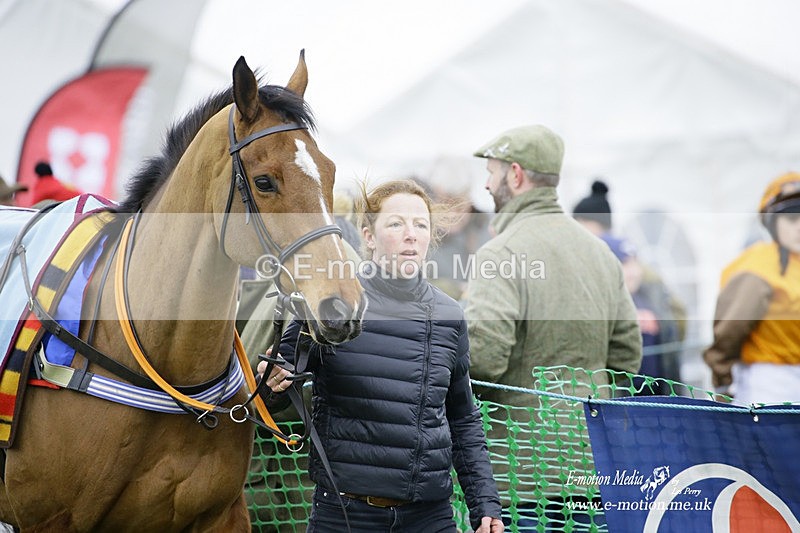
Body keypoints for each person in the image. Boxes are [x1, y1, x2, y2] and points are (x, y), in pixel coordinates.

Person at [258, 179, 503, 533]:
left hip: (429, 517)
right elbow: (270, 395)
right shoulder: (330, 303)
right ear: (369, 236)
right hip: (344, 514)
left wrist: (484, 504)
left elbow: (463, 418)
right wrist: (271, 382)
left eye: (421, 225)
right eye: (396, 223)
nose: (411, 235)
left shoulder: (449, 316)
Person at [464, 125, 642, 530]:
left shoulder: (501, 252)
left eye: (491, 173)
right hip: (592, 464)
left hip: (520, 476)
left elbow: (485, 359)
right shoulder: (600, 254)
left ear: (515, 175)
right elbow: (627, 357)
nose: (487, 184)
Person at [704, 172, 800, 404]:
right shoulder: (757, 267)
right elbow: (729, 331)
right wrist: (723, 380)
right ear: (772, 223)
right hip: (772, 385)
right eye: (790, 218)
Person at [600, 234, 681, 395]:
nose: (633, 272)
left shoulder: (653, 295)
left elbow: (675, 336)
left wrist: (659, 322)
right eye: (624, 263)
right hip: (622, 403)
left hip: (661, 398)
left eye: (634, 262)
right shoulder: (602, 302)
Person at [422, 156, 492, 301]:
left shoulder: (492, 228)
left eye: (460, 206)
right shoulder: (412, 235)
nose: (452, 215)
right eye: (444, 205)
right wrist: (454, 290)